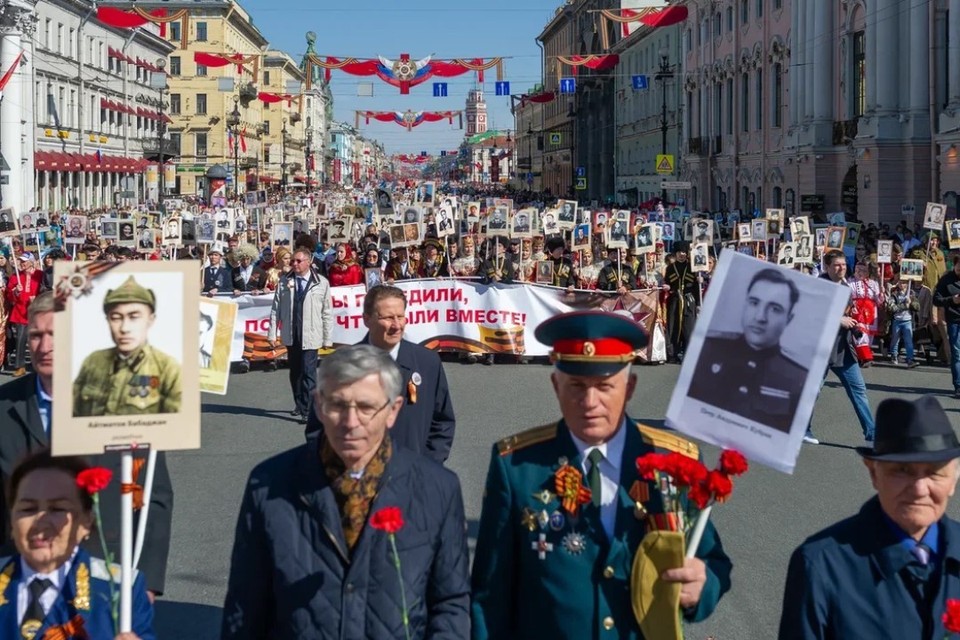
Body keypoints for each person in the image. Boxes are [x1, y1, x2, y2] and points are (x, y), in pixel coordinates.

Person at [471, 310, 732, 639]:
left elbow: (714, 561)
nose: (590, 402)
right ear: (556, 385)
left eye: (605, 386)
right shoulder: (517, 468)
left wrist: (702, 586)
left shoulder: (673, 463)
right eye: (577, 386)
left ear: (630, 387)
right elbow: (489, 596)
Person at [223, 345, 469, 639]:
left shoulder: (437, 488)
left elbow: (451, 604)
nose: (350, 423)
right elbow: (245, 607)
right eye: (337, 405)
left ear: (393, 411)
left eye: (366, 407)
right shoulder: (269, 485)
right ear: (318, 405)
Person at [0, 292, 174, 598]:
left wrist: (147, 581)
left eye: (55, 334)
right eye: (37, 335)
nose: (45, 346)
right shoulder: (4, 406)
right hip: (17, 582)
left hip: (103, 576)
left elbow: (151, 495)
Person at [779, 396, 960, 639]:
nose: (919, 488)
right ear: (873, 473)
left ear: (954, 478)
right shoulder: (822, 565)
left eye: (934, 473)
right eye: (902, 470)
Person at [2, 449, 155, 640]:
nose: (40, 522)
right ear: (11, 520)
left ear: (86, 521)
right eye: (28, 509)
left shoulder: (120, 589)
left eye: (57, 509)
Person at [305, 285, 455, 461]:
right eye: (388, 318)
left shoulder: (428, 362)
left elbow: (442, 422)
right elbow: (318, 430)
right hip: (357, 480)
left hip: (413, 478)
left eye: (400, 316)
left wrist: (428, 466)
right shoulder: (340, 366)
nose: (397, 325)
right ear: (367, 320)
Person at [688, 268, 808, 433]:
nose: (760, 317)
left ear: (788, 318)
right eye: (754, 303)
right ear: (744, 304)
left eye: (775, 309)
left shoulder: (797, 377)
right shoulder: (707, 350)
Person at [73, 276, 181, 417]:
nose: (124, 328)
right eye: (116, 318)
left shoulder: (168, 368)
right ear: (108, 320)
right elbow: (72, 415)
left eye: (134, 317)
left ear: (151, 320)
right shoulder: (93, 362)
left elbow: (177, 428)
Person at [805, 250, 876, 444]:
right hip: (820, 350)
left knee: (859, 390)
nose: (841, 268)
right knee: (812, 393)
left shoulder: (846, 287)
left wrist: (853, 325)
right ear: (827, 267)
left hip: (842, 350)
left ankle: (872, 433)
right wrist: (838, 319)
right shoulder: (818, 286)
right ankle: (804, 429)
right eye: (836, 265)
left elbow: (846, 316)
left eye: (844, 264)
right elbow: (810, 316)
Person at [268, 248, 333, 421]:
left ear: (309, 262)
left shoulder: (321, 283)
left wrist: (327, 338)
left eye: (298, 261)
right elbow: (275, 310)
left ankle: (309, 410)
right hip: (292, 334)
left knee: (309, 372)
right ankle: (300, 403)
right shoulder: (283, 282)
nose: (294, 264)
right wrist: (272, 334)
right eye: (293, 261)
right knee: (295, 372)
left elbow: (326, 312)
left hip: (311, 335)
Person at [5, 253, 44, 376]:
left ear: (31, 262)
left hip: (37, 311)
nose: (22, 264)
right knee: (20, 340)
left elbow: (46, 291)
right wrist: (16, 291)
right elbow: (9, 296)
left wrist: (37, 298)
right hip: (21, 313)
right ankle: (19, 366)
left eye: (25, 261)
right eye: (21, 261)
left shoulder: (40, 275)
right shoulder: (15, 277)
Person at [664, 242, 699, 363]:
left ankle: (689, 355)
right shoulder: (670, 268)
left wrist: (699, 303)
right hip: (675, 300)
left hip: (689, 300)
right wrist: (667, 287)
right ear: (676, 254)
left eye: (683, 252)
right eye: (679, 252)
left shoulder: (693, 267)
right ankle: (672, 354)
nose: (681, 255)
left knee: (688, 328)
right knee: (673, 327)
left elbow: (696, 288)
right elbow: (667, 282)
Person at [934, 255, 960, 397]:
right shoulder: (946, 280)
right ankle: (958, 386)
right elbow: (936, 299)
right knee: (957, 354)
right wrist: (952, 300)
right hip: (954, 320)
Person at [886, 277, 920, 367]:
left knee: (908, 341)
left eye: (904, 283)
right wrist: (905, 305)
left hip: (907, 321)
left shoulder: (911, 293)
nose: (902, 285)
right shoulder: (894, 294)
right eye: (900, 283)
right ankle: (894, 355)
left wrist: (911, 303)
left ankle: (910, 359)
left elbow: (917, 307)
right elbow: (892, 308)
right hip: (897, 320)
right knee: (895, 339)